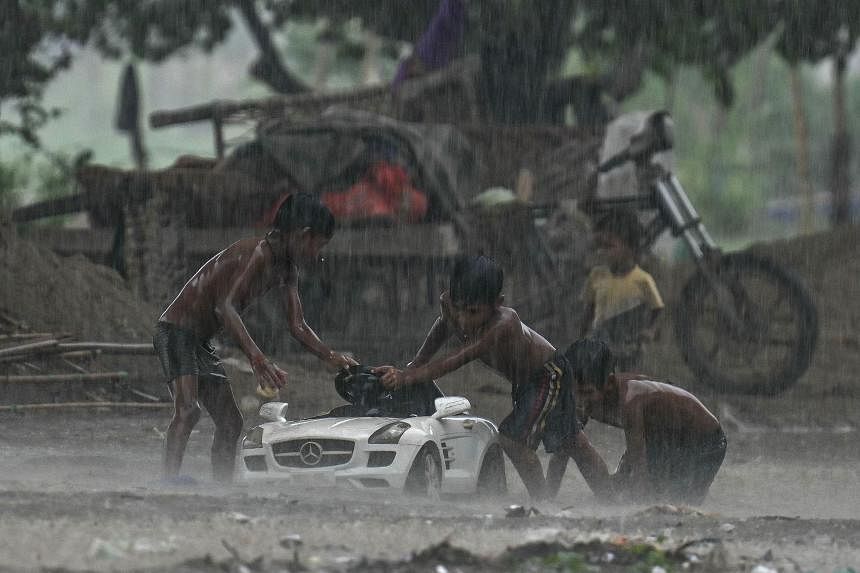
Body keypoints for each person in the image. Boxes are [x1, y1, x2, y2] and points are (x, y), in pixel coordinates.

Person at [153, 192, 357, 483]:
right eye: (318, 245)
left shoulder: (287, 270)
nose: (317, 254)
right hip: (175, 332)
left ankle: (221, 487)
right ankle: (167, 483)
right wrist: (257, 358)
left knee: (230, 422)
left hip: (199, 342)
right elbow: (224, 306)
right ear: (303, 235)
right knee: (188, 411)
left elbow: (297, 325)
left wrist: (329, 355)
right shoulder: (257, 253)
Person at [374, 255, 610, 500]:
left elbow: (456, 358)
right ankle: (609, 497)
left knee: (513, 438)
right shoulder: (449, 304)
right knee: (572, 442)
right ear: (450, 298)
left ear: (497, 304)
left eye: (473, 312)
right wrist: (413, 366)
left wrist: (407, 377)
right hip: (525, 382)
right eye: (458, 309)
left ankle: (544, 502)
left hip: (548, 374)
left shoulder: (503, 324)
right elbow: (443, 327)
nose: (463, 320)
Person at [548, 338, 726, 503]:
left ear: (609, 384)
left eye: (586, 392)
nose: (580, 400)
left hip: (707, 442)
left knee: (682, 502)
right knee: (621, 485)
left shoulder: (631, 400)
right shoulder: (584, 401)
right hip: (663, 437)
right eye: (574, 392)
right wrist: (547, 497)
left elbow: (639, 464)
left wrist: (638, 510)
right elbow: (565, 447)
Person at [580, 208, 664, 370]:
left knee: (629, 382)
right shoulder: (597, 276)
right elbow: (588, 311)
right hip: (602, 344)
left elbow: (658, 310)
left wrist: (650, 330)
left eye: (609, 246)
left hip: (631, 347)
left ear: (630, 248)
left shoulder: (642, 280)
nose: (602, 252)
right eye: (600, 246)